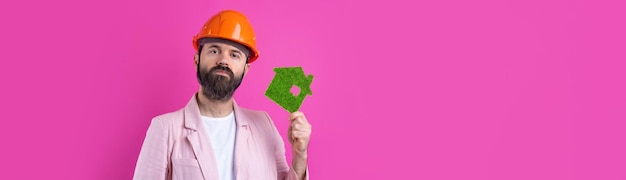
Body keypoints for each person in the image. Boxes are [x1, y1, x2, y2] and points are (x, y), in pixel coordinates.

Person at [133, 10, 311, 180]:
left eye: (234, 55)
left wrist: (300, 155)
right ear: (197, 60)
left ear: (245, 69)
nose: (223, 61)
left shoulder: (264, 124)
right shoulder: (165, 128)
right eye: (214, 50)